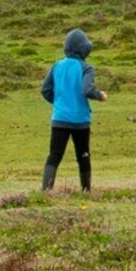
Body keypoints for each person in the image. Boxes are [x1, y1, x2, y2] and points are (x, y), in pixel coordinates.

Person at [38, 28, 102, 194]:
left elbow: (45, 90)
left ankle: (46, 191)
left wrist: (59, 102)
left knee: (54, 155)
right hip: (80, 120)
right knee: (83, 155)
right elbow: (87, 90)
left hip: (60, 118)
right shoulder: (86, 68)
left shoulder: (57, 65)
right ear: (83, 49)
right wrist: (99, 95)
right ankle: (86, 191)